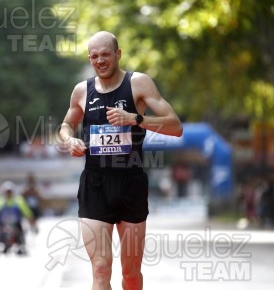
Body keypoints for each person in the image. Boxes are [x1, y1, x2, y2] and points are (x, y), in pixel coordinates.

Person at [59, 31, 183, 290]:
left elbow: (176, 126)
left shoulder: (138, 83)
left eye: (105, 54)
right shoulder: (82, 90)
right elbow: (66, 125)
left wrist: (136, 119)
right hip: (95, 184)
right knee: (101, 268)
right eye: (94, 56)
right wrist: (70, 140)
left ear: (118, 54)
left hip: (131, 183)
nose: (100, 61)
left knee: (131, 274)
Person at [0, 181, 38, 256]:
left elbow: (28, 213)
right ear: (3, 192)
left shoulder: (19, 201)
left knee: (21, 231)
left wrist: (34, 226)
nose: (8, 193)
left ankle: (22, 245)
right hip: (2, 225)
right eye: (7, 192)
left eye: (10, 192)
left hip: (16, 224)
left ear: (13, 192)